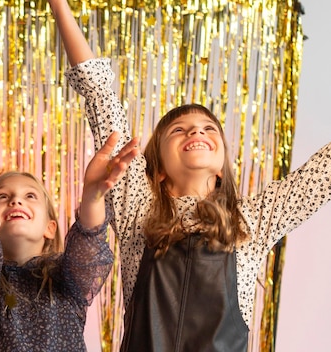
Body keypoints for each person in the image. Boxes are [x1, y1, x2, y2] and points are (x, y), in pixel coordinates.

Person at [49, 0, 331, 350]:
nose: (196, 133)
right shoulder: (137, 207)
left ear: (220, 170)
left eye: (208, 129)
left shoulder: (253, 220)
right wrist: (59, 6)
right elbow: (99, 92)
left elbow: (325, 172)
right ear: (160, 169)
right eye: (179, 130)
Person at [0, 129, 139, 351]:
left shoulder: (67, 278)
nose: (15, 201)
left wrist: (92, 199)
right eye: (2, 197)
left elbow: (88, 249)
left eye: (30, 196)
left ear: (50, 228)